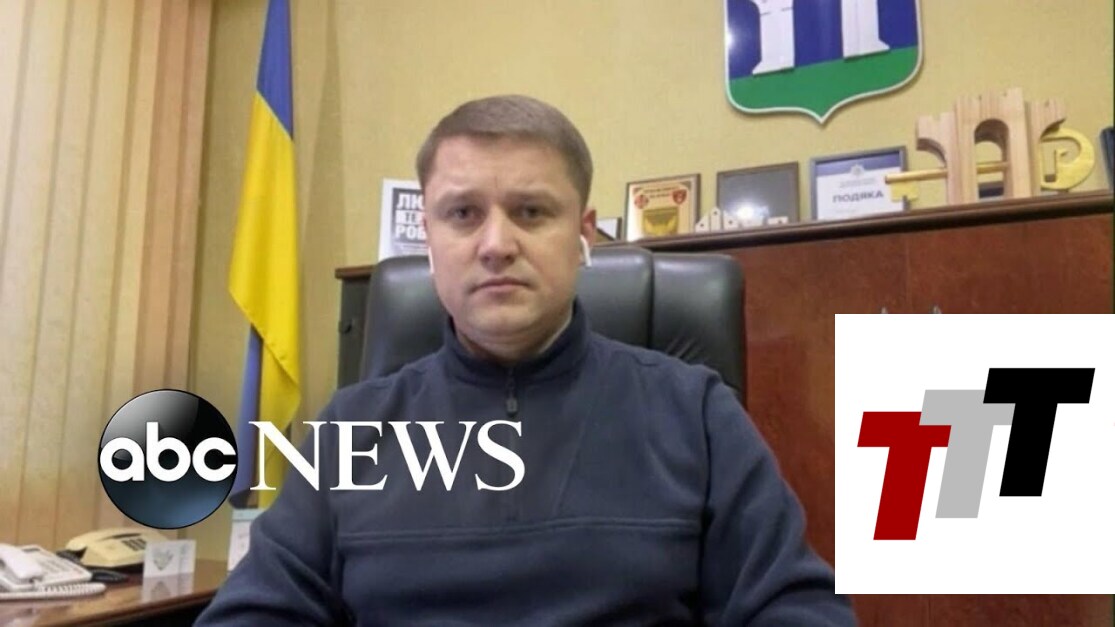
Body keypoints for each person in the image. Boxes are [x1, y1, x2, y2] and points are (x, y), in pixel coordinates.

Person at [197, 95, 856, 625]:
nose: (495, 244)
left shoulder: (694, 412)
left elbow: (793, 609)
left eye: (531, 211)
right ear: (427, 239)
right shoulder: (351, 428)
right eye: (462, 213)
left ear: (583, 235)